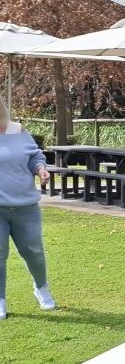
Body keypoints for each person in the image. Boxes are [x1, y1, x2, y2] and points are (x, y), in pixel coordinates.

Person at [0, 98, 53, 320]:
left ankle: (41, 287)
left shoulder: (18, 130)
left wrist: (40, 170)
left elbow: (35, 157)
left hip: (25, 206)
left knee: (34, 251)